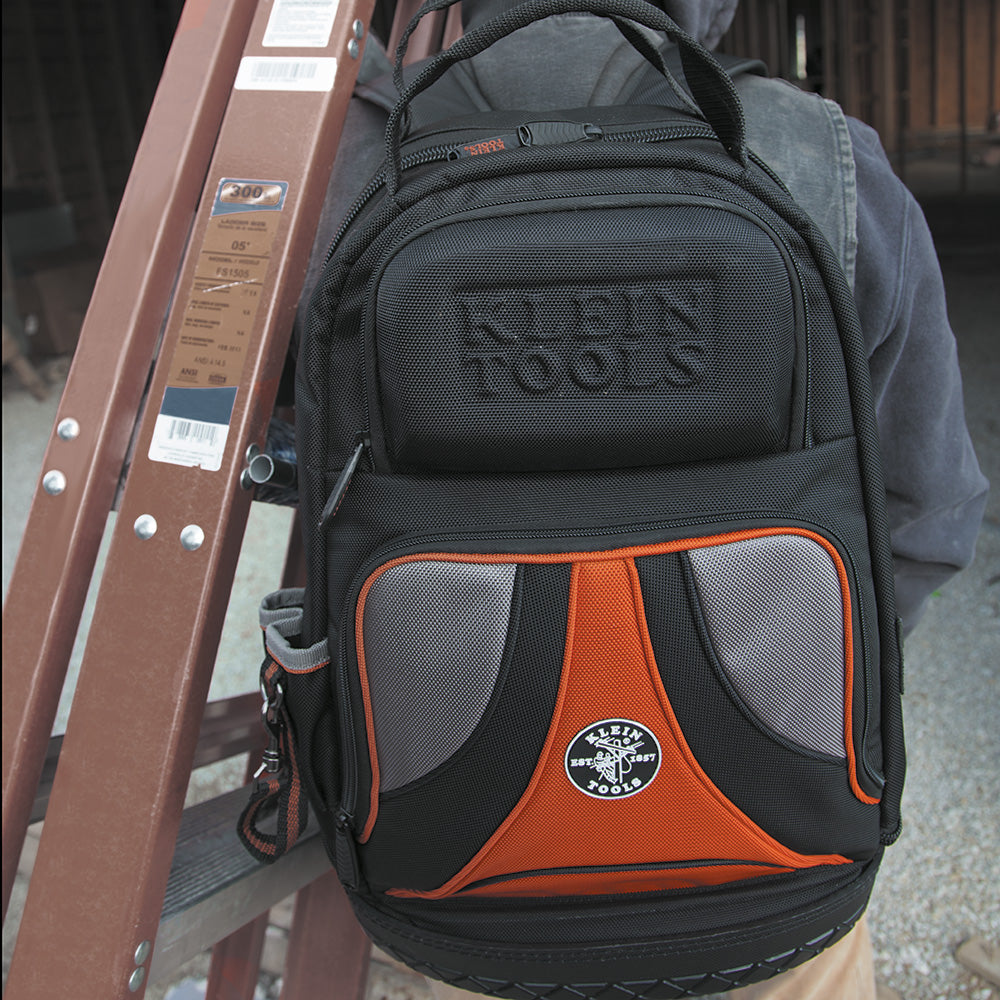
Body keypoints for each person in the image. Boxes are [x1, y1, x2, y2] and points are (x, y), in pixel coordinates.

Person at [296, 1, 989, 996]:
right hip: (776, 864)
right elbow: (928, 509)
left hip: (464, 874)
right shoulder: (819, 150)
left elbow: (260, 456)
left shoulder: (332, 164)